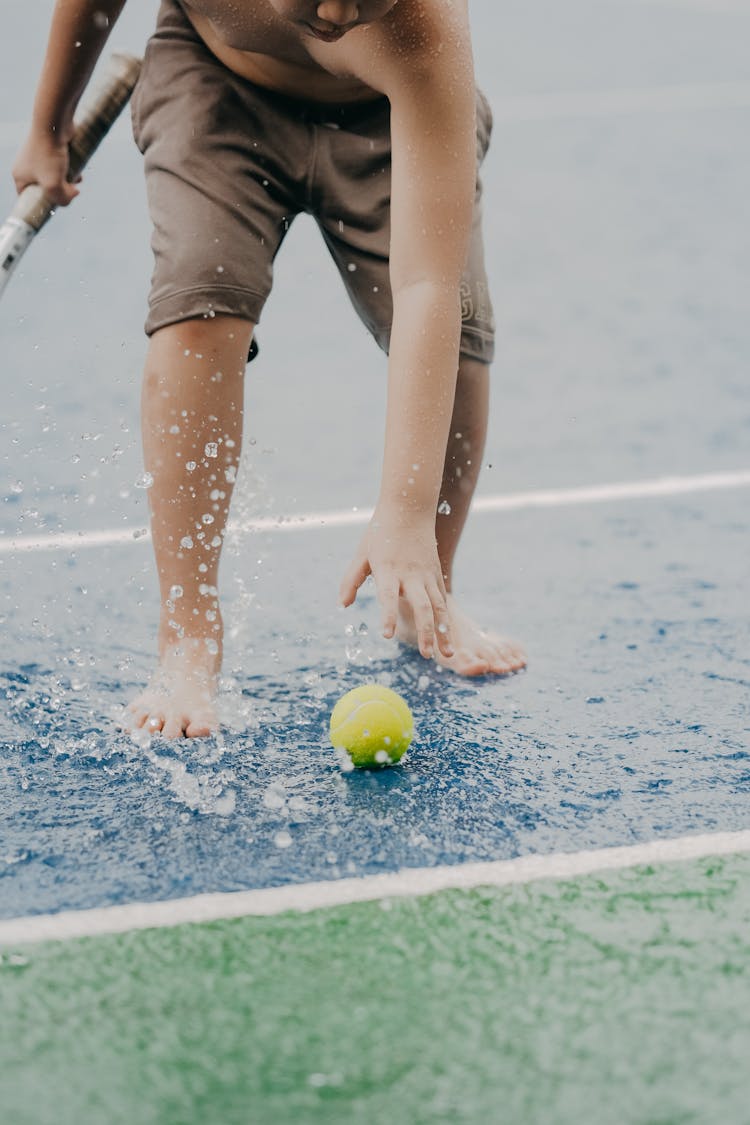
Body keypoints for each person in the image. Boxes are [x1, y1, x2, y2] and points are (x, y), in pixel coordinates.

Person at [13, 0, 526, 739]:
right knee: (199, 308)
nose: (337, 12)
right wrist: (46, 124)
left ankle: (425, 591)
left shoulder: (426, 23)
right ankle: (188, 638)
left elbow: (426, 288)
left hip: (386, 116)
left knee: (461, 342)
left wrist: (406, 512)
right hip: (218, 83)